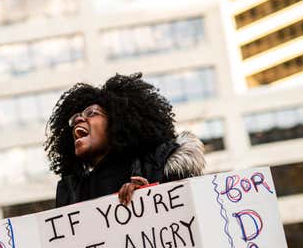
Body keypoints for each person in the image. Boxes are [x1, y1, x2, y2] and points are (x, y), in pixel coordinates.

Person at [45, 73, 205, 207]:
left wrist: (150, 196)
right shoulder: (71, 192)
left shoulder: (159, 165)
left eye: (92, 113)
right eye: (74, 120)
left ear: (117, 122)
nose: (78, 120)